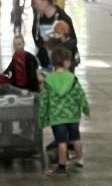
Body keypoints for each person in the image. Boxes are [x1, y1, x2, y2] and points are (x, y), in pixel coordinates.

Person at [38, 44, 90, 176]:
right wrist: (86, 109)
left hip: (57, 117)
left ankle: (62, 166)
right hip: (72, 116)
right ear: (66, 63)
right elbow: (80, 95)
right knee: (76, 138)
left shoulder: (49, 80)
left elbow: (44, 100)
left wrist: (42, 117)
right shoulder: (72, 79)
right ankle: (79, 160)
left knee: (62, 142)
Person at [32, 0, 77, 71]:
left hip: (62, 68)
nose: (34, 6)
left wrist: (61, 40)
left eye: (36, 3)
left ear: (45, 2)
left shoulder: (63, 18)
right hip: (46, 65)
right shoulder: (38, 19)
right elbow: (36, 40)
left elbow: (73, 42)